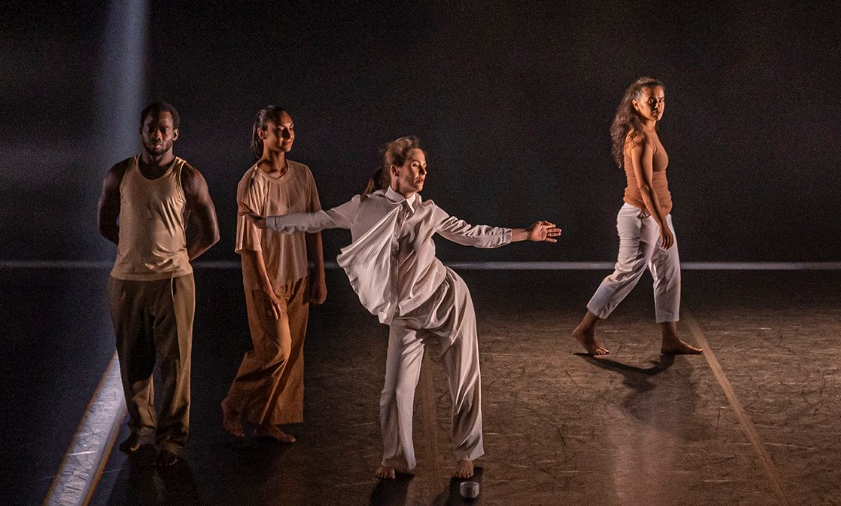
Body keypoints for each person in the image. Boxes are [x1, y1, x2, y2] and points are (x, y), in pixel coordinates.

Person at [244, 136, 559, 481]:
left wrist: (526, 234)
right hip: (405, 314)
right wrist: (268, 223)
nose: (423, 171)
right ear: (394, 170)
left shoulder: (429, 212)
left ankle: (466, 453)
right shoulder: (364, 207)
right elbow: (316, 220)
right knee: (394, 392)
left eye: (425, 167)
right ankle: (397, 459)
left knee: (464, 380)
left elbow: (474, 234)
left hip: (446, 302)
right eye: (415, 165)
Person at [97, 101, 220, 467]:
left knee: (175, 363)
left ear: (175, 134)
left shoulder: (188, 177)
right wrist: (132, 251)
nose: (157, 135)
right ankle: (142, 428)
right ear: (141, 130)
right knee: (134, 360)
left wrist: (178, 258)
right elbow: (105, 223)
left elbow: (211, 233)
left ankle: (172, 439)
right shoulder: (119, 174)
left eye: (163, 129)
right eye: (151, 127)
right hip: (127, 282)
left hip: (173, 282)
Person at [573, 77, 702, 358]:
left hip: (658, 216)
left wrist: (664, 219)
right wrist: (662, 222)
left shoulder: (650, 130)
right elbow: (644, 187)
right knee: (626, 275)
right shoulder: (640, 138)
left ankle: (670, 339)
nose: (657, 106)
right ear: (636, 104)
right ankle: (585, 328)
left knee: (669, 275)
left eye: (661, 100)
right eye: (651, 101)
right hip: (642, 218)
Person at [221, 106, 327, 444]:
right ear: (262, 133)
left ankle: (266, 420)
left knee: (292, 354)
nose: (287, 136)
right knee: (277, 349)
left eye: (291, 129)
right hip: (266, 278)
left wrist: (319, 274)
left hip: (297, 275)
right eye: (279, 130)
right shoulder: (252, 182)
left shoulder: (303, 174)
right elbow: (249, 245)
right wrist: (266, 290)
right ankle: (234, 403)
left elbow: (314, 227)